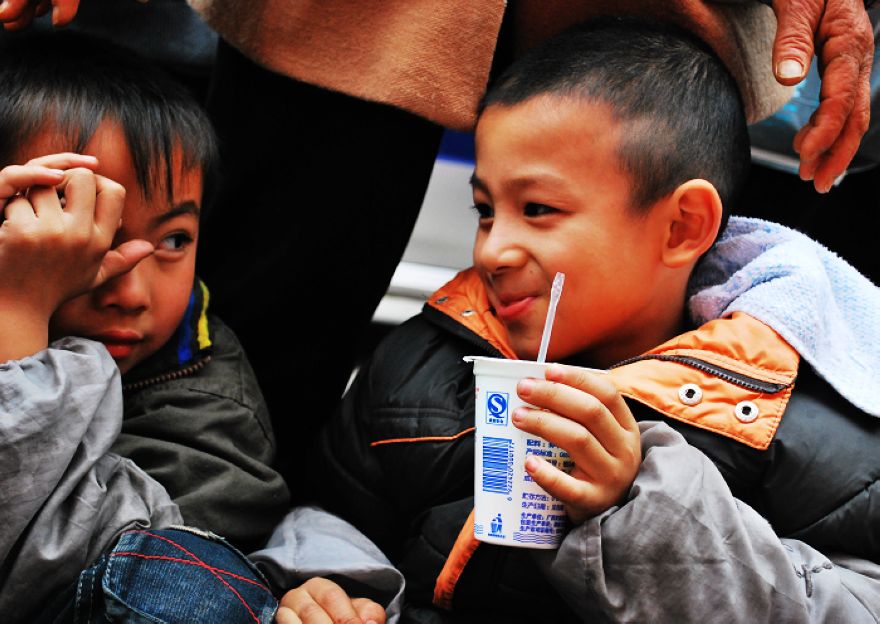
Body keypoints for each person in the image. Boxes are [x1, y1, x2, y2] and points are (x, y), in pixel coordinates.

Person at [309, 17, 880, 622]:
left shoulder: (783, 420)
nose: (491, 251)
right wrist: (328, 584)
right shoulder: (421, 364)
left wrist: (640, 505)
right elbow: (330, 516)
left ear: (683, 226)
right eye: (484, 209)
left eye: (538, 208)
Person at [0, 33, 293, 621]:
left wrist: (18, 310)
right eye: (79, 226)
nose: (132, 293)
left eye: (173, 241)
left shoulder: (211, 408)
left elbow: (52, 571)